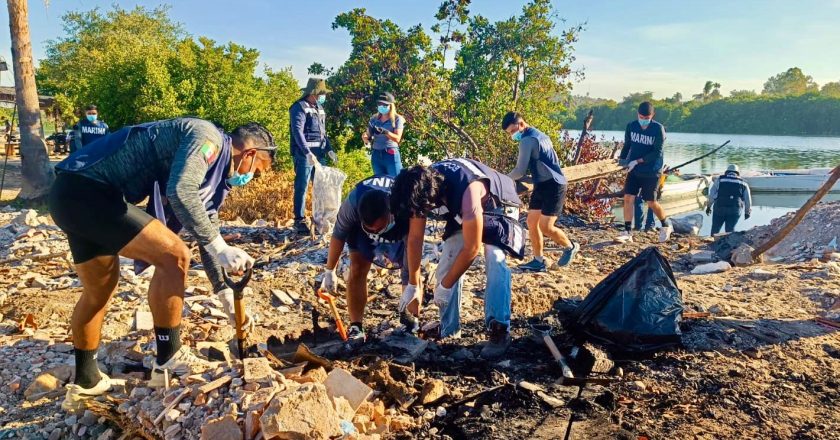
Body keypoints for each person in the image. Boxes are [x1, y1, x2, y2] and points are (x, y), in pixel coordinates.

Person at [49, 117, 276, 412]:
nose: (251, 179)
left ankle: (86, 382)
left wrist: (222, 290)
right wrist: (220, 246)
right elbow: (182, 192)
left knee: (98, 291)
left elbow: (206, 228)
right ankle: (169, 358)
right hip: (92, 193)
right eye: (257, 171)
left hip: (68, 197)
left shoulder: (212, 175)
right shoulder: (208, 139)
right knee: (175, 256)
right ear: (249, 154)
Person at [391, 158, 524, 359]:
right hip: (462, 212)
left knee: (494, 258)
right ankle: (449, 329)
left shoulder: (466, 191)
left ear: (430, 199)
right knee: (448, 261)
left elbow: (472, 248)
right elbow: (415, 238)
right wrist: (413, 284)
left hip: (499, 203)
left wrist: (445, 287)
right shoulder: (418, 185)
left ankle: (499, 330)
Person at [319, 175, 410, 348]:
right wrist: (330, 270)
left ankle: (411, 327)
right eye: (371, 228)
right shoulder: (351, 205)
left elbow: (414, 246)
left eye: (378, 228)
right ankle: (356, 328)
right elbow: (338, 235)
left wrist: (412, 282)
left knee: (409, 273)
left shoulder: (404, 203)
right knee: (357, 268)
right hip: (361, 230)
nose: (376, 232)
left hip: (399, 227)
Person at [502, 112, 579, 271]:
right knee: (531, 222)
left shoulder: (528, 140)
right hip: (541, 184)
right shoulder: (539, 134)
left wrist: (501, 178)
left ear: (521, 124)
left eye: (512, 131)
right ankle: (538, 260)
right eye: (509, 133)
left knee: (546, 227)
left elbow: (519, 170)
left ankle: (570, 246)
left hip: (554, 185)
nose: (512, 136)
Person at [617, 101, 673, 243]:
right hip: (634, 170)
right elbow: (628, 145)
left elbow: (656, 153)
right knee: (628, 198)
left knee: (651, 202)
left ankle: (666, 225)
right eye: (641, 116)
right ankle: (627, 231)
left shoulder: (658, 129)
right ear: (638, 114)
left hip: (651, 171)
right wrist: (622, 160)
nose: (644, 120)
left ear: (652, 115)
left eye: (647, 117)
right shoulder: (631, 126)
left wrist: (637, 161)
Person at [290, 78, 337, 235]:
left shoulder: (319, 107)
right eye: (322, 93)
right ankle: (299, 220)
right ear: (314, 93)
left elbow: (323, 133)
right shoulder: (298, 108)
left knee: (320, 188)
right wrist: (307, 153)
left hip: (320, 154)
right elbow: (297, 132)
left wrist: (329, 149)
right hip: (305, 156)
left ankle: (320, 219)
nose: (324, 96)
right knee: (302, 187)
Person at [362, 93, 405, 176]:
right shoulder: (374, 118)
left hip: (390, 153)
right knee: (380, 183)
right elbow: (368, 134)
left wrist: (385, 132)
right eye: (379, 104)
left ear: (390, 105)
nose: (381, 106)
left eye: (384, 104)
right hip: (376, 154)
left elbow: (397, 139)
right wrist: (365, 137)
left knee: (396, 182)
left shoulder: (397, 119)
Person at [707, 164, 752, 234]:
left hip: (719, 207)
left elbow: (711, 196)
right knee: (730, 231)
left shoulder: (719, 180)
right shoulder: (744, 183)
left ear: (727, 172)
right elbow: (748, 200)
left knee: (715, 230)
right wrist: (747, 213)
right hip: (735, 209)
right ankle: (728, 242)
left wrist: (708, 207)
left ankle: (711, 242)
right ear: (738, 173)